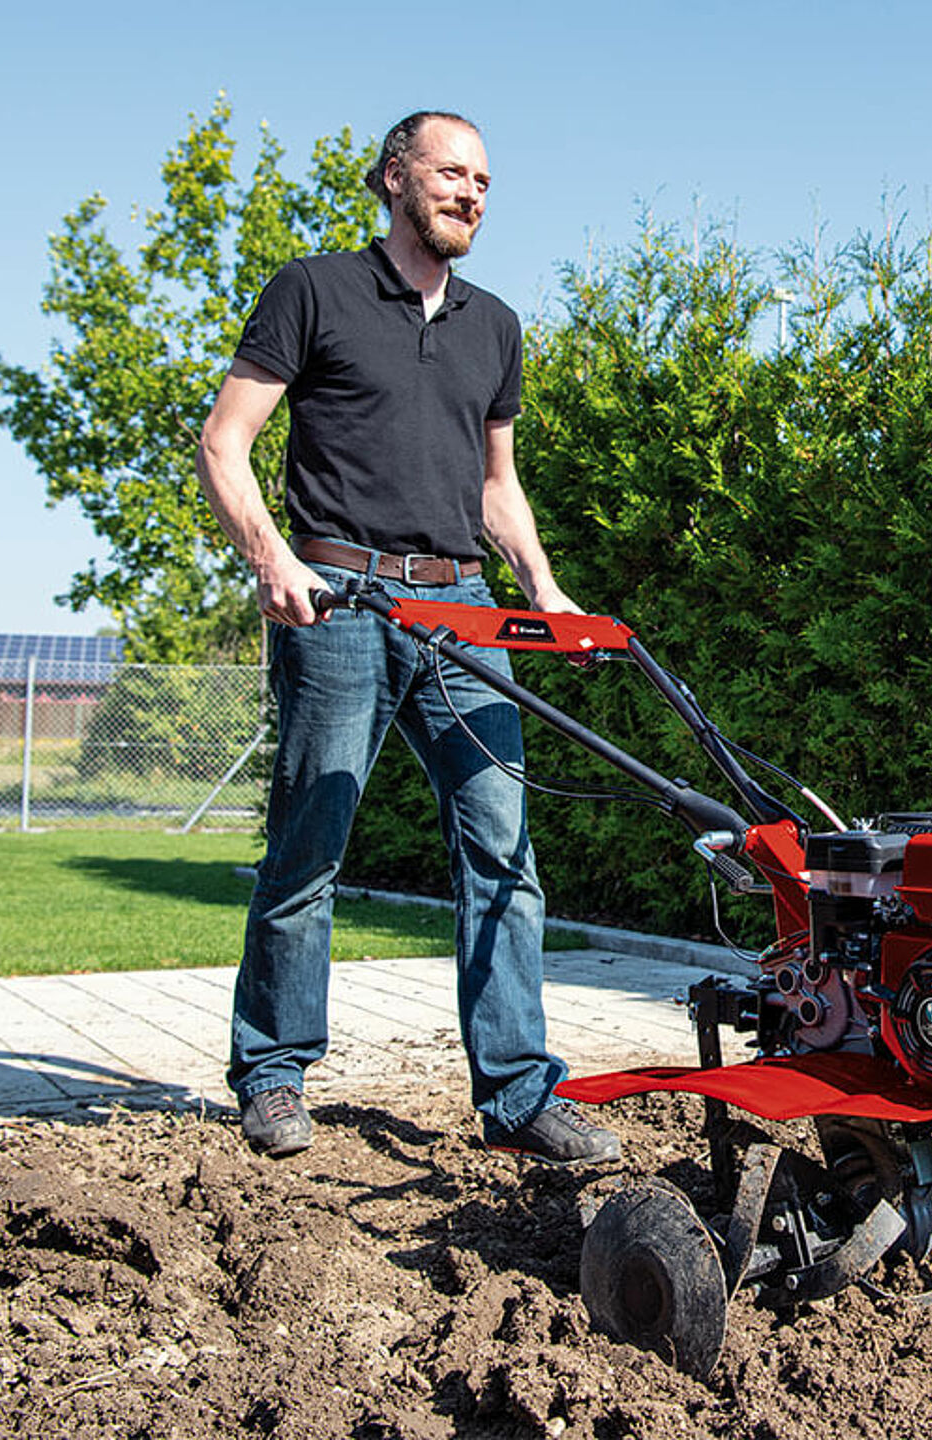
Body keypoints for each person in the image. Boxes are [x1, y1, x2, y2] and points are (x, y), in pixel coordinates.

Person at [195, 110, 619, 1166]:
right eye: (451, 172)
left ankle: (519, 1093)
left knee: (503, 851)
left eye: (486, 180)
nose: (472, 192)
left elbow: (495, 487)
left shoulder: (495, 325)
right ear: (394, 177)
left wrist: (548, 591)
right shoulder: (314, 290)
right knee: (311, 842)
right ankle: (274, 1071)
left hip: (464, 608)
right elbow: (225, 440)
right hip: (337, 595)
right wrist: (272, 560)